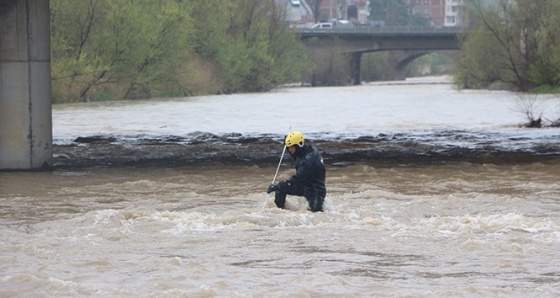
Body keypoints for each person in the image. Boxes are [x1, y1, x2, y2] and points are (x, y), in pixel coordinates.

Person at [267, 131, 326, 212]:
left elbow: (298, 178)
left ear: (298, 145)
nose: (290, 150)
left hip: (315, 190)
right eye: (288, 147)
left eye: (291, 147)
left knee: (315, 212)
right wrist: (286, 142)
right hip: (303, 186)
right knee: (281, 190)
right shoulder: (301, 151)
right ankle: (281, 211)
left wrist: (278, 185)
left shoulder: (309, 159)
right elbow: (292, 152)